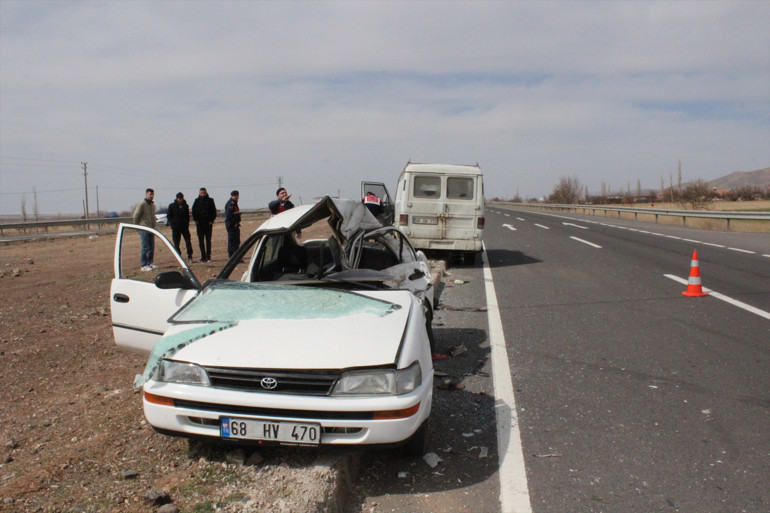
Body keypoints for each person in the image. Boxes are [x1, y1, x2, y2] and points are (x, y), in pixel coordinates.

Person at [132, 188, 157, 271]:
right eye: (150, 194)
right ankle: (144, 265)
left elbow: (153, 216)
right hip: (144, 228)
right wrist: (137, 227)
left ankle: (150, 263)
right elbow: (136, 216)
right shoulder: (142, 204)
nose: (152, 196)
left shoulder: (152, 205)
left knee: (151, 247)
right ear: (146, 194)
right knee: (145, 247)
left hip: (151, 228)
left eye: (153, 194)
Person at [192, 187, 217, 262]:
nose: (202, 194)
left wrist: (211, 221)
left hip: (208, 224)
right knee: (201, 241)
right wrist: (196, 220)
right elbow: (194, 211)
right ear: (199, 193)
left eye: (204, 193)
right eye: (201, 193)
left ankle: (208, 257)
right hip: (200, 224)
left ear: (206, 193)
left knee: (208, 240)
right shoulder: (196, 201)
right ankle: (203, 257)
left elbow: (214, 211)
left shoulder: (210, 200)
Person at [168, 192, 193, 262]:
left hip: (184, 228)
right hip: (175, 228)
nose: (181, 200)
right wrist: (173, 224)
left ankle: (190, 256)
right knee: (176, 244)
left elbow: (187, 216)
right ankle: (179, 256)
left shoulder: (185, 206)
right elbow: (169, 216)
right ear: (177, 198)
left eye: (182, 198)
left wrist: (187, 224)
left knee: (188, 242)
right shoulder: (172, 206)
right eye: (179, 198)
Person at [224, 190, 241, 257]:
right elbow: (228, 215)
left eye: (237, 196)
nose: (237, 197)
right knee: (232, 241)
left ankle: (236, 256)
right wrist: (234, 223)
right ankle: (232, 256)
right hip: (232, 226)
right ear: (232, 196)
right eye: (235, 196)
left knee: (236, 241)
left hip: (235, 225)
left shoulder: (234, 203)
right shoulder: (230, 204)